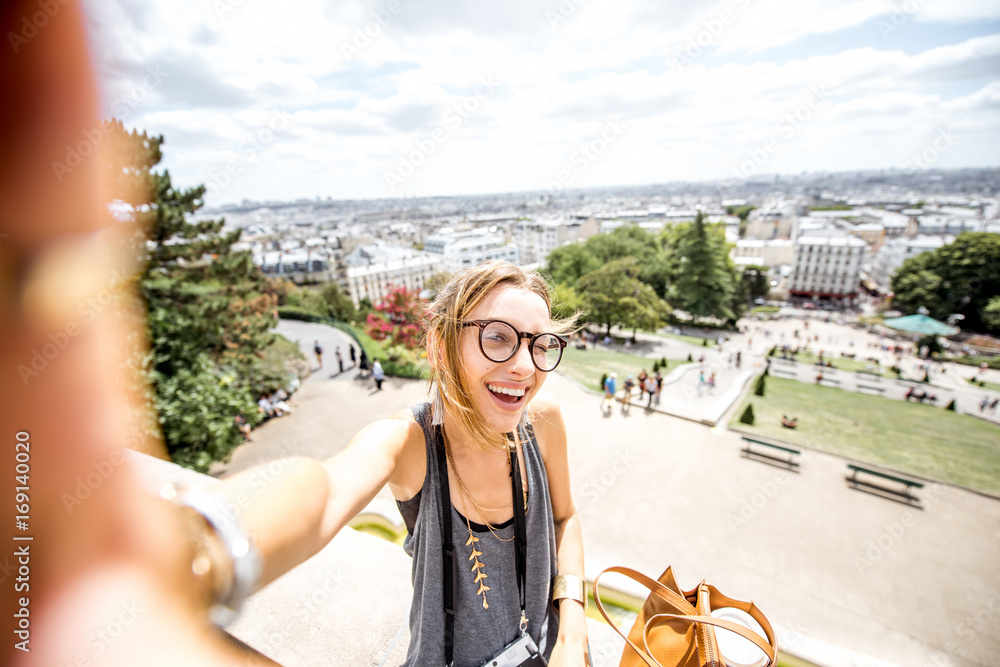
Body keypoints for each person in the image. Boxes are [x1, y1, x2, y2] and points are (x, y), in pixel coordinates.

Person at [327, 262, 588, 664]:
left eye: (539, 345)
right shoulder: (408, 442)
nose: (525, 366)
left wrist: (572, 629)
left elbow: (565, 518)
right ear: (439, 346)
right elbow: (326, 489)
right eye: (498, 337)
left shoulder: (541, 419)